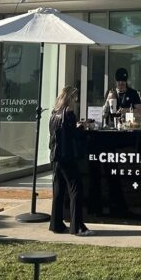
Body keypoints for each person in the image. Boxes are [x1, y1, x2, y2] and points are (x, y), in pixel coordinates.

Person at [49, 85, 91, 236]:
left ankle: (56, 224)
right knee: (75, 189)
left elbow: (58, 134)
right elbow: (74, 135)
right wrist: (83, 127)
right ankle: (77, 227)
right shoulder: (69, 113)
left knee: (58, 190)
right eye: (75, 97)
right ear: (70, 98)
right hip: (67, 156)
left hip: (55, 157)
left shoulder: (54, 113)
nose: (76, 100)